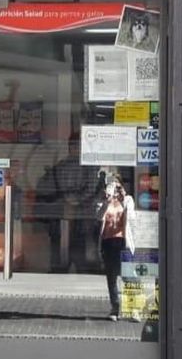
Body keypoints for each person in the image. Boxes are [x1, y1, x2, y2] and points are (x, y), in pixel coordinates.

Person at [36, 133, 101, 272]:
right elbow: (92, 189)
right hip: (81, 216)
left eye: (77, 146)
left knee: (60, 254)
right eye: (74, 146)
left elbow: (43, 188)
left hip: (63, 214)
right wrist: (77, 199)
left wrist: (65, 197)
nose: (76, 149)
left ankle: (60, 272)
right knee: (80, 254)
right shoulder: (90, 168)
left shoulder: (59, 167)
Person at [98, 176, 136, 321]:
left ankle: (134, 310)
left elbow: (132, 217)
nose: (114, 188)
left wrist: (123, 198)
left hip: (123, 242)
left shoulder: (128, 200)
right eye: (111, 185)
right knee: (111, 277)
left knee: (129, 277)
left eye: (117, 185)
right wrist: (106, 202)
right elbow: (98, 217)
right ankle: (115, 309)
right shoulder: (102, 201)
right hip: (108, 241)